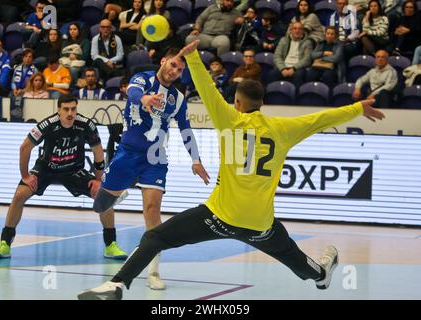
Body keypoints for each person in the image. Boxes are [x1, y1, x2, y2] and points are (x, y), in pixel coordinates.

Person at [77, 40, 386, 300]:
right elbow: (320, 119)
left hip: (218, 218)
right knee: (294, 260)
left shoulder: (229, 119)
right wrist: (358, 108)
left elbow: (207, 88)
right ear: (262, 103)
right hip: (260, 224)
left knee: (155, 238)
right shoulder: (283, 129)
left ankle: (117, 285)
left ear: (237, 102)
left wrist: (193, 56)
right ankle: (320, 274)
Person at [89, 47, 210, 291]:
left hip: (155, 158)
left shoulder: (178, 99)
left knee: (152, 211)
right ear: (163, 61)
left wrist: (195, 159)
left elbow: (186, 129)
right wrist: (144, 99)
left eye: (180, 70)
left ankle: (153, 272)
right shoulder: (142, 78)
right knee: (100, 206)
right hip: (127, 153)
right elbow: (133, 93)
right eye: (173, 64)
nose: (175, 71)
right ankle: (120, 192)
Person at [0, 94, 128, 260]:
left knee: (104, 195)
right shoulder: (47, 124)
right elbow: (24, 148)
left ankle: (110, 245)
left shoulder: (86, 125)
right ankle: (5, 244)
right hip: (46, 169)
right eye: (66, 109)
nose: (70, 113)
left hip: (73, 171)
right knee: (19, 195)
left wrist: (98, 180)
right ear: (58, 110)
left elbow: (98, 152)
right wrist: (25, 176)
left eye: (73, 109)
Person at [269, 21, 313, 88]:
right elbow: (277, 56)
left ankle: (297, 97)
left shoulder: (308, 42)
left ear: (303, 31)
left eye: (299, 29)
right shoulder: (283, 40)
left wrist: (294, 68)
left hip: (298, 68)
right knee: (272, 74)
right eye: (295, 28)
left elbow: (307, 59)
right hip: (284, 65)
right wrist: (282, 69)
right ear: (291, 30)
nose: (297, 31)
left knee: (298, 75)